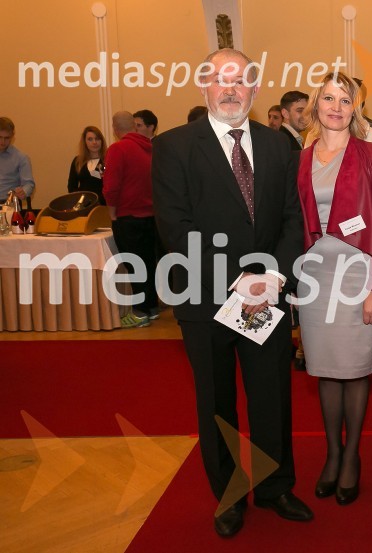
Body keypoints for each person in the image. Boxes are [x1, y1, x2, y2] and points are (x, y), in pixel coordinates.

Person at [153, 47, 311, 536]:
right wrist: (234, 281)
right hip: (206, 297)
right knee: (216, 401)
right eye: (220, 80)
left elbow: (292, 219)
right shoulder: (175, 146)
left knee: (271, 396)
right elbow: (175, 227)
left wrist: (274, 277)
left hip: (266, 296)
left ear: (255, 89)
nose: (229, 89)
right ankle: (229, 494)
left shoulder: (277, 146)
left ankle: (274, 486)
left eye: (239, 80)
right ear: (203, 86)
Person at [295, 72, 372, 506]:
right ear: (317, 104)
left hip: (359, 274)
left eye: (345, 100)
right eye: (329, 99)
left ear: (356, 107)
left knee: (355, 369)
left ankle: (351, 454)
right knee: (324, 368)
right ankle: (332, 454)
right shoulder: (301, 157)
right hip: (314, 276)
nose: (336, 107)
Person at [103, 111, 158, 326]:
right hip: (150, 216)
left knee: (134, 266)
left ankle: (140, 312)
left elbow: (111, 186)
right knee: (148, 264)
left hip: (128, 216)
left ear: (115, 129)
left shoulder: (117, 149)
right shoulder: (149, 148)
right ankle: (151, 307)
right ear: (134, 127)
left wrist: (112, 214)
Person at [0, 117, 35, 205]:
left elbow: (29, 184)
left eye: (6, 138)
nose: (2, 142)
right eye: (0, 137)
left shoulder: (21, 158)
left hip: (9, 203)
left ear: (12, 136)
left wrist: (23, 192)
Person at [67, 126, 107, 204]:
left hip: (103, 206)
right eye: (90, 139)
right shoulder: (78, 161)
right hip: (83, 206)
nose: (94, 142)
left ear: (102, 141)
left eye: (97, 138)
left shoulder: (108, 160)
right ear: (84, 142)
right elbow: (71, 187)